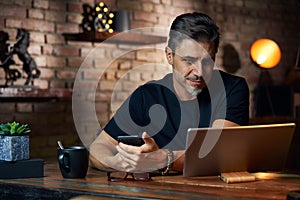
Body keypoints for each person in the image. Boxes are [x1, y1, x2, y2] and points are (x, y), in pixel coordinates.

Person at [89, 12, 249, 174]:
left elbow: (219, 154)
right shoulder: (146, 96)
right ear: (169, 56)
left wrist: (164, 159)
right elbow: (98, 147)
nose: (199, 72)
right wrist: (117, 163)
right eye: (189, 60)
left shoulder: (232, 88)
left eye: (207, 61)